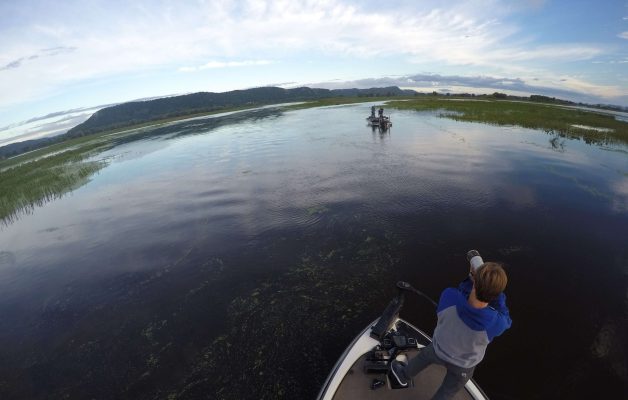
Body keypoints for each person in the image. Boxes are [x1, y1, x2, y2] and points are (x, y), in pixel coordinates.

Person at [390, 257, 512, 400]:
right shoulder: (497, 323)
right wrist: (493, 290)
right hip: (464, 365)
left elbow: (461, 291)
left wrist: (471, 278)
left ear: (475, 282)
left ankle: (403, 375)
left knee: (423, 358)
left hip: (439, 349)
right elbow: (505, 315)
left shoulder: (449, 296)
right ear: (496, 294)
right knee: (447, 392)